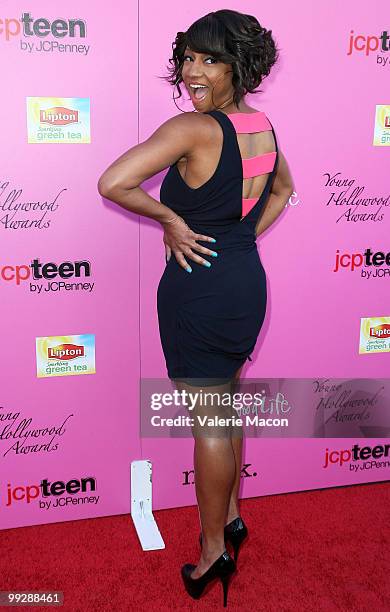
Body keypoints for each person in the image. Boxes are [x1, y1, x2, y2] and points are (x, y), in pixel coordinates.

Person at [98, 9, 294, 607]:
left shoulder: (193, 128)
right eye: (188, 58)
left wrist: (172, 218)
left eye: (210, 60)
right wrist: (234, 236)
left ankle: (212, 553)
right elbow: (282, 189)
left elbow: (113, 183)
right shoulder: (261, 125)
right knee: (226, 399)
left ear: (240, 66)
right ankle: (232, 515)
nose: (193, 72)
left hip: (199, 289)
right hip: (241, 279)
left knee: (208, 419)